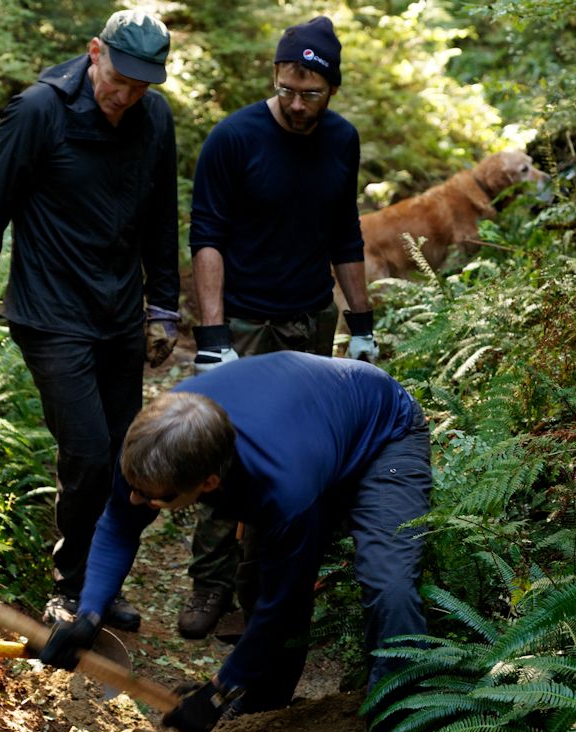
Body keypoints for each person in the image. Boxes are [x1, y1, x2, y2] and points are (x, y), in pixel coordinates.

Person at [39, 353, 450, 732]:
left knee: (391, 595)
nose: (139, 501)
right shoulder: (155, 437)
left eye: (155, 499)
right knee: (257, 580)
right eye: (136, 488)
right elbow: (117, 519)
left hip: (380, 436)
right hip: (301, 436)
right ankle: (266, 705)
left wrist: (217, 690)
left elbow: (286, 606)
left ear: (209, 484)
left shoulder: (281, 487)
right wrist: (86, 616)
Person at [0, 9, 181, 631]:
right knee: (85, 452)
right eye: (119, 80)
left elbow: (161, 215)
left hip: (116, 312)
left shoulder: (154, 119)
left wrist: (163, 304)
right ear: (94, 52)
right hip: (50, 313)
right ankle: (68, 586)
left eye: (141, 86)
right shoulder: (38, 111)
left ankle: (102, 585)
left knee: (126, 457)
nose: (126, 96)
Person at [179, 14, 377, 641]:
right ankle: (208, 583)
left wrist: (362, 322)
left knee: (288, 454)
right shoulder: (234, 138)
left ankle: (256, 591)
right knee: (219, 445)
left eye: (310, 93)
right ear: (276, 75)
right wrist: (212, 336)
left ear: (332, 88)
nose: (295, 104)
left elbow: (345, 231)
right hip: (241, 318)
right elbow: (205, 235)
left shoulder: (341, 141)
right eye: (286, 88)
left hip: (309, 318)